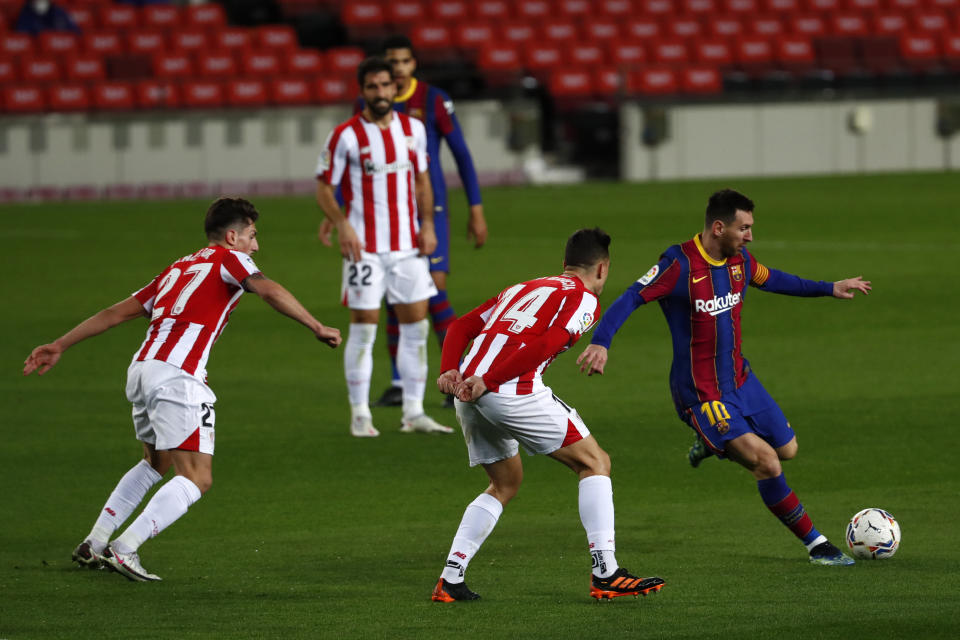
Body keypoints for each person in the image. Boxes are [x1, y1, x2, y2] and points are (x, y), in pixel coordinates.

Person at [23, 197, 342, 582]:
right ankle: (125, 549)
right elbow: (269, 290)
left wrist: (60, 344)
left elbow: (114, 314)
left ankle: (95, 542)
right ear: (232, 236)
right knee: (197, 478)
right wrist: (316, 326)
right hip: (178, 375)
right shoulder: (231, 259)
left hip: (142, 369)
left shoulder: (178, 268)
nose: (255, 245)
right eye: (252, 236)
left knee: (156, 462)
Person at [577, 189, 871, 566]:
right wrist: (601, 342)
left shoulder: (739, 262)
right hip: (702, 394)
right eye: (743, 228)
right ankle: (818, 545)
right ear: (719, 227)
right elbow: (632, 297)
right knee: (767, 462)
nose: (749, 236)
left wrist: (829, 288)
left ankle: (711, 444)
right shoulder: (678, 264)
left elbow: (773, 278)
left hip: (740, 380)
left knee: (788, 449)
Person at [432, 228, 665, 601]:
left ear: (564, 264)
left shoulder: (522, 287)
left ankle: (451, 578)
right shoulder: (585, 299)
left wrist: (449, 369)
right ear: (602, 269)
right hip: (506, 388)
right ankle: (606, 573)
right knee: (595, 463)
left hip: (466, 391)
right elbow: (549, 342)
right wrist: (490, 380)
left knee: (505, 484)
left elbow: (460, 326)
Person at [320, 34, 488, 410]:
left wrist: (475, 207)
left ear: (413, 66)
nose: (396, 69)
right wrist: (339, 214)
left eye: (403, 62)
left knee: (430, 296)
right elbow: (355, 167)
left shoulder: (432, 99)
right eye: (391, 61)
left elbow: (460, 154)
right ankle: (399, 382)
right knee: (400, 302)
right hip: (380, 221)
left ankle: (457, 373)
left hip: (429, 213)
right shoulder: (369, 104)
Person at [316, 56, 452, 437]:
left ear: (395, 88)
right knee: (364, 330)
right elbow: (324, 186)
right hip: (365, 249)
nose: (380, 93)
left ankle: (413, 412)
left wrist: (427, 224)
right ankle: (360, 414)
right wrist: (342, 224)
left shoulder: (413, 130)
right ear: (362, 92)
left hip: (407, 247)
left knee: (416, 328)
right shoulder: (345, 135)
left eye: (385, 85)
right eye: (372, 86)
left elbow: (422, 181)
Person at [14, 0, 80, 35]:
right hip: (39, 55)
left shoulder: (60, 13)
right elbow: (22, 35)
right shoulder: (24, 15)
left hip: (62, 53)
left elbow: (76, 32)